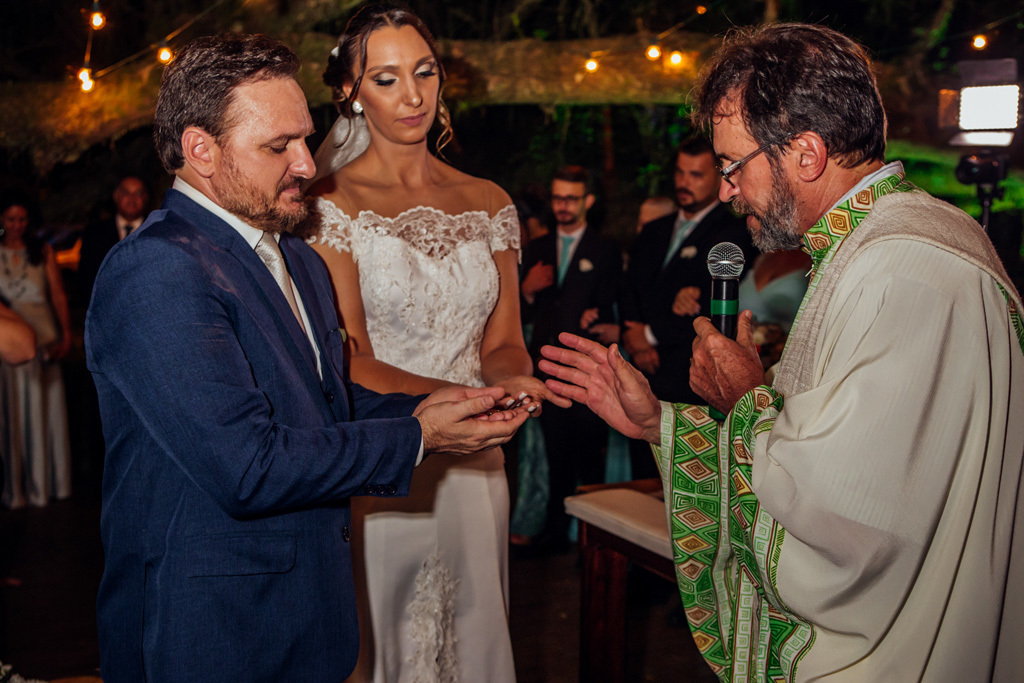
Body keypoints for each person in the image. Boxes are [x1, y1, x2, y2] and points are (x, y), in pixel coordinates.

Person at [539, 22, 1024, 682]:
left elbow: (849, 515)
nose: (726, 190)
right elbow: (829, 447)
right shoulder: (875, 246)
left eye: (734, 165)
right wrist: (660, 422)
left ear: (806, 154)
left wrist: (745, 398)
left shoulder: (904, 273)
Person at [87, 32, 533, 683]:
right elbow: (247, 465)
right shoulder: (157, 269)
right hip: (212, 631)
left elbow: (326, 402)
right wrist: (415, 435)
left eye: (304, 137)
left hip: (308, 621)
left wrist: (437, 406)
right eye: (278, 146)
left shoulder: (295, 254)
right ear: (200, 150)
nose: (305, 162)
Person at [306, 6, 556, 681]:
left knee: (474, 635)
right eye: (385, 79)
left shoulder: (489, 200)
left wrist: (515, 381)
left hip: (478, 466)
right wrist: (460, 401)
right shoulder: (329, 204)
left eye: (424, 72)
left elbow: (503, 341)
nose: (413, 96)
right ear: (349, 93)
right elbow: (350, 356)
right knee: (391, 641)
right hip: (390, 455)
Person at [619, 136, 755, 478]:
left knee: (683, 478)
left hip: (686, 379)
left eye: (695, 175)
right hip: (639, 372)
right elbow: (629, 287)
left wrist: (649, 336)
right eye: (680, 173)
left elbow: (708, 310)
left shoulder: (733, 235)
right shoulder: (653, 230)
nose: (683, 183)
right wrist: (632, 333)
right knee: (640, 480)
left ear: (718, 177)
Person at [519, 165, 621, 552]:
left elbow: (615, 305)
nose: (562, 205)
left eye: (570, 198)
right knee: (554, 453)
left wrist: (599, 317)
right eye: (557, 197)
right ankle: (554, 532)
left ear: (588, 202)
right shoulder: (538, 248)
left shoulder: (604, 249)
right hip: (544, 368)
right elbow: (515, 311)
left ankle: (591, 543)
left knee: (588, 457)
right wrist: (527, 291)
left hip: (585, 370)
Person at [0, 194, 72, 509]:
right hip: (10, 341)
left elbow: (57, 295)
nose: (16, 225)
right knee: (12, 414)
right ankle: (15, 488)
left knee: (44, 413)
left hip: (43, 337)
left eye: (21, 219)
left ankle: (46, 484)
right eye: (10, 218)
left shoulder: (41, 251)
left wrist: (66, 333)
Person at [77, 176, 150, 304]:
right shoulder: (95, 233)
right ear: (116, 196)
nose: (132, 198)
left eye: (138, 193)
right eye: (126, 193)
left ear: (145, 198)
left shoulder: (157, 231)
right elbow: (86, 277)